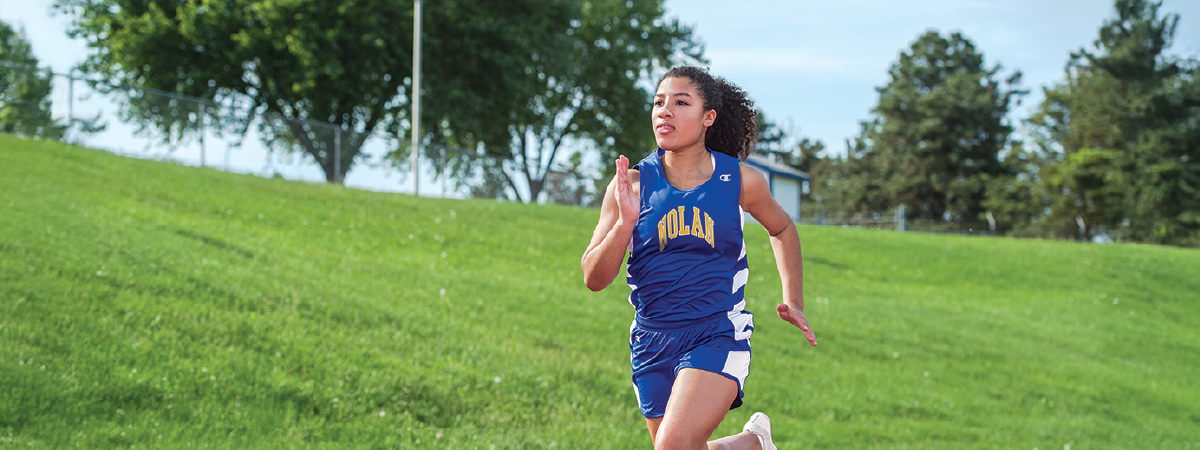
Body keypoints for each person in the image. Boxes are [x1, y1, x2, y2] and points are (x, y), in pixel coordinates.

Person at [581, 66, 818, 450]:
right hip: (651, 338)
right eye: (659, 102)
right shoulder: (631, 185)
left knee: (672, 446)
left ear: (709, 117)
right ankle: (753, 444)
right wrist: (624, 224)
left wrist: (793, 299)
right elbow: (594, 277)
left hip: (717, 331)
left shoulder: (741, 180)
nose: (664, 111)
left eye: (680, 102)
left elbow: (782, 229)